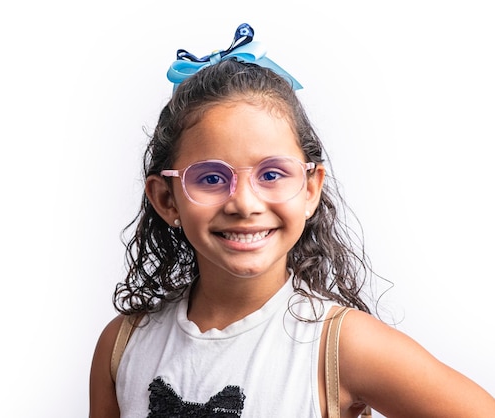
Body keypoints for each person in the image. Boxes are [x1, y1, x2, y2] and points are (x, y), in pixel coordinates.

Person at [89, 23, 495, 417]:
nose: (244, 204)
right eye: (212, 178)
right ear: (166, 199)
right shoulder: (122, 347)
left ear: (310, 189)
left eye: (271, 175)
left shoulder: (342, 347)